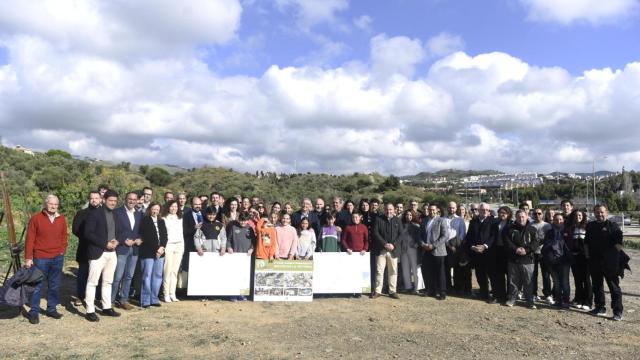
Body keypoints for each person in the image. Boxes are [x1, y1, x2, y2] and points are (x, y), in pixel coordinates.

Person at [24, 194, 68, 324]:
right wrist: (28, 257)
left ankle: (51, 309)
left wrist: (62, 251)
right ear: (45, 204)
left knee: (54, 285)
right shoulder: (36, 219)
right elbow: (30, 239)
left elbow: (64, 236)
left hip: (57, 258)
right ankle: (34, 312)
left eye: (56, 204)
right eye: (51, 204)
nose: (53, 206)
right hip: (40, 258)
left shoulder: (61, 219)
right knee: (37, 286)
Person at [84, 190, 121, 321]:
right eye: (110, 200)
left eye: (115, 201)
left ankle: (106, 307)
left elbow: (119, 231)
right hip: (97, 252)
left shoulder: (116, 214)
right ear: (103, 200)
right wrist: (104, 243)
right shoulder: (94, 214)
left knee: (108, 282)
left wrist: (117, 240)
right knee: (92, 282)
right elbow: (88, 233)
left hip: (112, 253)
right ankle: (90, 310)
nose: (113, 203)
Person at [585, 204, 624, 321]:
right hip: (594, 261)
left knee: (614, 287)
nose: (599, 214)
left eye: (602, 212)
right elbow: (586, 242)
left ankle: (618, 311)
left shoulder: (613, 226)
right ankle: (600, 308)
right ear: (594, 213)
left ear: (606, 212)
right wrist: (588, 256)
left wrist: (616, 260)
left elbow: (619, 245)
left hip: (610, 262)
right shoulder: (590, 226)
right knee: (597, 286)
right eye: (597, 212)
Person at [112, 191, 142, 310]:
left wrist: (140, 238)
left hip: (134, 249)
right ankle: (111, 301)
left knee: (129, 276)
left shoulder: (139, 214)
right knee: (117, 276)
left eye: (134, 199)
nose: (132, 201)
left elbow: (141, 230)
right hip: (122, 248)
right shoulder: (117, 212)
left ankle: (123, 300)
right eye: (130, 199)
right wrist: (123, 239)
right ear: (125, 199)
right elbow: (113, 230)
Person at [72, 191, 101, 306]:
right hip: (85, 248)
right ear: (89, 199)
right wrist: (89, 237)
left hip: (100, 249)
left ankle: (95, 296)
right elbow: (75, 230)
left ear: (100, 199)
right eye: (92, 198)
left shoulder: (103, 213)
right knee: (83, 274)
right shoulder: (81, 213)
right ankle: (80, 296)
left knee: (97, 275)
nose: (94, 200)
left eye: (96, 198)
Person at [505, 210, 539, 309]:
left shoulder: (532, 229)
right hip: (513, 259)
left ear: (527, 216)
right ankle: (512, 299)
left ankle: (530, 301)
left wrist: (527, 250)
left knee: (528, 281)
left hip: (528, 260)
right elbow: (507, 242)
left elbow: (536, 242)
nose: (521, 219)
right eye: (519, 217)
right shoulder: (510, 229)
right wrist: (516, 249)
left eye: (523, 216)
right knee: (513, 281)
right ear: (516, 217)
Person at [465, 203, 497, 301]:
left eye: (487, 210)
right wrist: (472, 247)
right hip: (476, 253)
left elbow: (493, 236)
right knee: (480, 275)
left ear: (489, 211)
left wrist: (485, 246)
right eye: (482, 210)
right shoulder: (473, 221)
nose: (485, 212)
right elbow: (469, 237)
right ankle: (484, 293)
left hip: (489, 252)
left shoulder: (493, 221)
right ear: (478, 210)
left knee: (492, 275)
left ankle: (495, 295)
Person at [371, 203, 403, 299]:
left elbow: (401, 235)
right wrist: (384, 244)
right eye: (386, 209)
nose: (388, 211)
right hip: (381, 250)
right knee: (379, 271)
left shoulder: (398, 220)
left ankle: (392, 291)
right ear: (384, 210)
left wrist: (393, 245)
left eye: (390, 209)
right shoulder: (378, 219)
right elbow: (375, 233)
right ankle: (377, 291)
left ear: (394, 210)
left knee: (393, 271)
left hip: (393, 250)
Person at [139, 203, 167, 308]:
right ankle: (145, 300)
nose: (155, 211)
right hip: (148, 252)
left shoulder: (161, 221)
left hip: (160, 252)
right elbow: (146, 237)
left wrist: (162, 247)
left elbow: (165, 236)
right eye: (153, 209)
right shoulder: (144, 220)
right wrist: (157, 249)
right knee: (147, 276)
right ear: (150, 209)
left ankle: (154, 298)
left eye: (157, 209)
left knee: (158, 276)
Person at [542, 213, 572, 309]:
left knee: (565, 282)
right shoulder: (549, 232)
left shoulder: (567, 231)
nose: (558, 221)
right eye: (556, 219)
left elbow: (570, 246)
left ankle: (566, 300)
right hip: (552, 260)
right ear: (553, 221)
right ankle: (558, 300)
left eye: (560, 219)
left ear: (563, 220)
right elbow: (545, 246)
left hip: (564, 261)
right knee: (556, 282)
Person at [420, 204, 449, 300]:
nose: (431, 211)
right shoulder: (424, 221)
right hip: (426, 250)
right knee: (427, 271)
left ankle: (442, 292)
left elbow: (445, 236)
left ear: (437, 210)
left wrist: (433, 245)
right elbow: (420, 235)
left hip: (438, 250)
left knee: (440, 272)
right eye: (430, 209)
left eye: (433, 210)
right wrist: (423, 244)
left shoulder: (442, 220)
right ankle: (430, 290)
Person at [226, 212, 255, 301]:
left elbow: (254, 241)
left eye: (245, 221)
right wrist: (229, 247)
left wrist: (251, 249)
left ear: (248, 221)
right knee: (234, 276)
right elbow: (228, 240)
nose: (243, 222)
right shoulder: (234, 227)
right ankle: (233, 294)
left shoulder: (250, 229)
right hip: (235, 256)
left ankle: (242, 294)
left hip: (246, 257)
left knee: (244, 276)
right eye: (241, 220)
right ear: (239, 219)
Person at [568, 209, 592, 310]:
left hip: (585, 258)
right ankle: (579, 299)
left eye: (580, 215)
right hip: (574, 258)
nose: (578, 217)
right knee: (577, 279)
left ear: (583, 217)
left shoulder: (588, 227)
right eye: (576, 215)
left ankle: (588, 302)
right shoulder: (571, 228)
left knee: (586, 280)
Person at [162, 200, 184, 303]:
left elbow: (181, 234)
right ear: (168, 207)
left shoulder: (180, 218)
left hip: (179, 245)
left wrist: (182, 247)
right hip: (169, 245)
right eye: (172, 206)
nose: (174, 208)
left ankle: (172, 294)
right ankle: (166, 294)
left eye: (175, 206)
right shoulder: (164, 218)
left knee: (175, 271)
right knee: (168, 270)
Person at [530, 208, 553, 304]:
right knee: (533, 275)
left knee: (546, 275)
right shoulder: (530, 225)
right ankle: (534, 293)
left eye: (539, 213)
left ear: (542, 215)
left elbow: (550, 239)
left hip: (544, 253)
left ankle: (547, 294)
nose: (537, 215)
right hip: (533, 253)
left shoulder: (547, 225)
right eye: (535, 214)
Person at [490, 206, 512, 304]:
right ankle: (498, 295)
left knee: (509, 275)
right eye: (500, 212)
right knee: (498, 275)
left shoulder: (511, 224)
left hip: (507, 252)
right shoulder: (495, 223)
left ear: (508, 214)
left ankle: (509, 296)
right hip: (496, 251)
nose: (502, 214)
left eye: (504, 213)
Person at [444, 202, 467, 294]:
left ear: (456, 208)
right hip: (446, 247)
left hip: (457, 247)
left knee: (457, 269)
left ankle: (457, 287)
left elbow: (462, 234)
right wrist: (448, 244)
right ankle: (448, 287)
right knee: (446, 269)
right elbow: (443, 234)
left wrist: (456, 244)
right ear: (447, 208)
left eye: (453, 208)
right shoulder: (443, 219)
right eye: (450, 208)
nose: (451, 209)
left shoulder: (460, 220)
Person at [181, 197, 203, 283]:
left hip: (203, 246)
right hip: (190, 245)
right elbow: (184, 231)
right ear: (191, 205)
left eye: (199, 204)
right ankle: (185, 289)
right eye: (196, 204)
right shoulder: (186, 216)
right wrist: (194, 228)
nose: (198, 206)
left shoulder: (205, 214)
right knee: (188, 268)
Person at [399, 210, 420, 294]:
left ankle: (416, 287)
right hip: (403, 249)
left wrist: (416, 245)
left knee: (415, 269)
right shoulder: (401, 225)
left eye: (410, 215)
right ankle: (408, 287)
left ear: (413, 216)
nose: (408, 216)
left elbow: (419, 238)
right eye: (407, 215)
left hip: (413, 249)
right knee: (405, 269)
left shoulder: (417, 226)